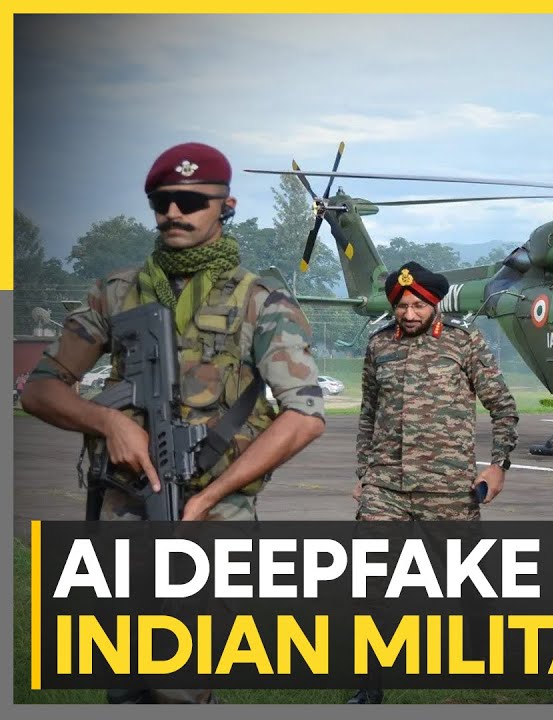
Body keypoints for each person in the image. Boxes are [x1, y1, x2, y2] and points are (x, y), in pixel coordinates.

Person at [20, 142, 327, 704]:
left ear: (226, 205)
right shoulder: (116, 293)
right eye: (162, 201)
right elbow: (40, 390)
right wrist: (109, 422)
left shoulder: (260, 301)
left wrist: (209, 498)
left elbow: (304, 415)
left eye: (191, 200)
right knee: (123, 683)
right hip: (122, 508)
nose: (174, 212)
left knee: (180, 687)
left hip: (208, 520)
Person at [347, 261, 518, 704]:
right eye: (401, 306)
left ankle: (484, 664)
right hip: (386, 487)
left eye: (417, 306)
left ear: (434, 303)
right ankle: (369, 687)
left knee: (469, 582)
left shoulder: (464, 342)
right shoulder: (379, 345)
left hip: (447, 488)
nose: (409, 314)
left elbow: (502, 407)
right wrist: (365, 474)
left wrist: (497, 465)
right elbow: (369, 414)